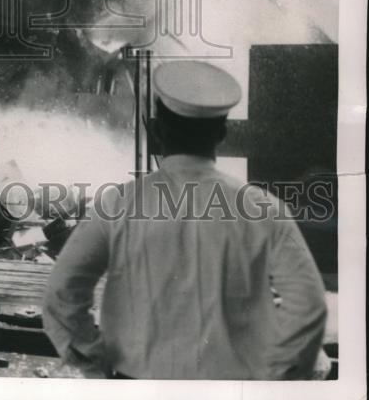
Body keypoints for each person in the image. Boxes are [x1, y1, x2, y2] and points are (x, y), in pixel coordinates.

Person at [42, 60, 329, 380]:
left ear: (159, 130)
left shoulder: (117, 203)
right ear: (222, 132)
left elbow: (61, 294)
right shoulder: (265, 209)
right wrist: (275, 376)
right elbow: (308, 306)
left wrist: (93, 359)